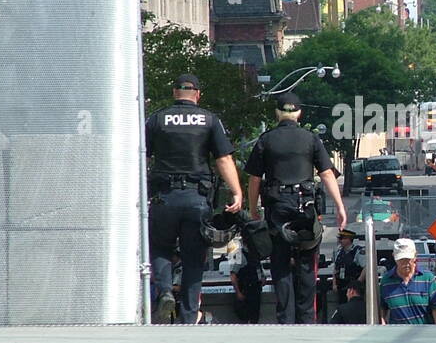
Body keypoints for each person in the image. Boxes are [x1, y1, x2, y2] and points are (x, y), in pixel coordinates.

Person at [146, 73, 243, 325]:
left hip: (163, 197)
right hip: (196, 198)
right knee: (193, 258)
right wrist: (237, 191)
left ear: (174, 92)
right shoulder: (209, 120)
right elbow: (223, 159)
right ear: (197, 94)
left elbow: (141, 157)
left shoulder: (156, 118)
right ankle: (189, 316)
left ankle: (166, 290)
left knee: (160, 247)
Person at [246, 93, 348, 324]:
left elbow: (254, 179)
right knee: (306, 265)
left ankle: (285, 321)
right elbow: (326, 174)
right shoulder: (311, 139)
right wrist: (340, 206)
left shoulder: (266, 139)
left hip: (277, 207)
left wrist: (253, 209)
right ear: (300, 113)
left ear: (277, 113)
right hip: (305, 207)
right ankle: (307, 320)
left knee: (280, 265)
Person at [379, 238, 436, 325]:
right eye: (401, 259)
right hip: (397, 336)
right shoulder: (386, 281)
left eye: (408, 259)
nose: (405, 263)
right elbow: (382, 310)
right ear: (394, 257)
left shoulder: (428, 278)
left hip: (424, 335)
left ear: (415, 256)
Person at [224, 238, 263, 324]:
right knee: (246, 316)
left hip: (256, 289)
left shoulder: (256, 255)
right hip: (246, 290)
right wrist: (238, 292)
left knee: (255, 315)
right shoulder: (239, 255)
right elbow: (233, 275)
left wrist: (262, 279)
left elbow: (259, 270)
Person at [332, 227, 365, 305]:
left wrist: (358, 282)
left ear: (349, 239)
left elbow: (365, 268)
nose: (340, 241)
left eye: (342, 238)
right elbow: (335, 269)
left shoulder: (358, 251)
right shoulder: (338, 251)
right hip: (341, 285)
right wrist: (334, 284)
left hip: (352, 285)